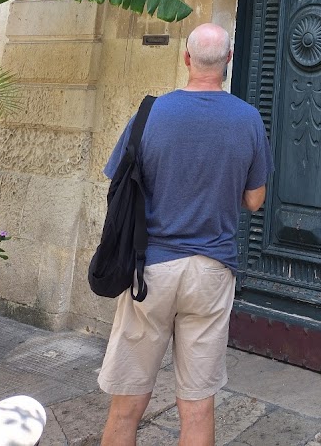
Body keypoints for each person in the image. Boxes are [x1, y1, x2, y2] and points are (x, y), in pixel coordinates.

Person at [97, 23, 272, 446]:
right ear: (229, 61)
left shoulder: (149, 114)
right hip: (211, 272)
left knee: (127, 406)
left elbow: (116, 184)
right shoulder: (248, 119)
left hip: (149, 270)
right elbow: (254, 201)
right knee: (197, 406)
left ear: (187, 58)